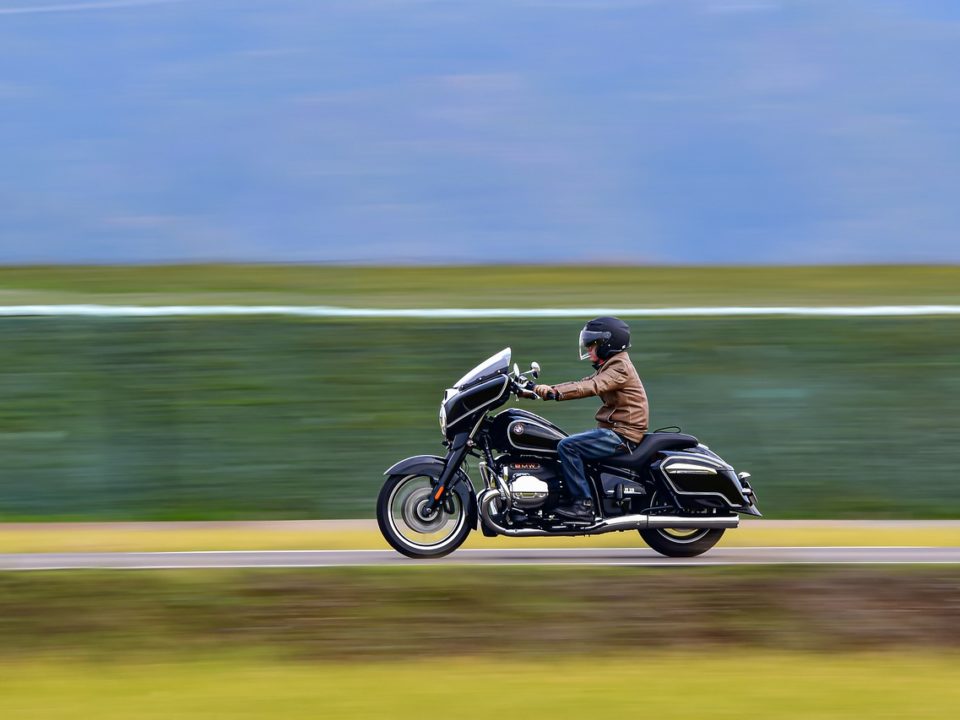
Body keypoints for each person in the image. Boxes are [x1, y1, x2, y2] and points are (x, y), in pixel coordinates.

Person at [533, 316, 649, 520]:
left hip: (622, 434)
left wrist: (554, 393)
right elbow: (583, 382)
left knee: (567, 446)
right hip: (614, 431)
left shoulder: (620, 367)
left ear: (607, 344)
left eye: (592, 345)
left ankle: (583, 506)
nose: (588, 349)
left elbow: (591, 386)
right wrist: (531, 391)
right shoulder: (613, 365)